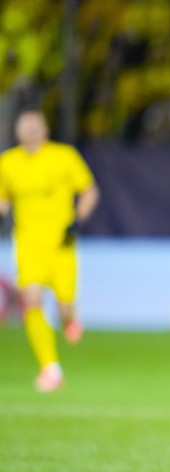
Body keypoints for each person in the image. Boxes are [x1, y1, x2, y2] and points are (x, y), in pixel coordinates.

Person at [0, 109, 100, 392]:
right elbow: (3, 198)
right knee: (31, 300)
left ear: (45, 130)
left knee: (64, 305)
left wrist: (77, 220)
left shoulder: (64, 156)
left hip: (60, 244)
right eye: (24, 127)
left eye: (35, 126)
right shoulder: (8, 162)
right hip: (28, 244)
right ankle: (50, 368)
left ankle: (70, 320)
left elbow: (89, 191)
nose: (30, 131)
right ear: (17, 132)